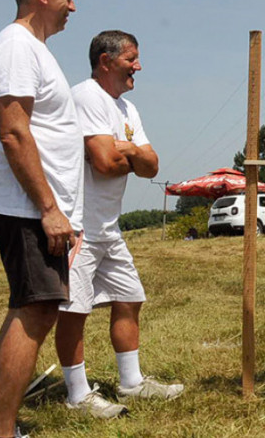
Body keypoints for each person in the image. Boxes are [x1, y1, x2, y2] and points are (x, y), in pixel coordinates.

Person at [0, 0, 81, 438]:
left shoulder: (31, 49)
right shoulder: (17, 47)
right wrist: (49, 209)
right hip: (25, 206)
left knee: (34, 307)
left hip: (32, 206)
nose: (72, 7)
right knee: (35, 309)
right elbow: (14, 133)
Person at [55, 30, 182, 419]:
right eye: (131, 59)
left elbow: (152, 166)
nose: (138, 67)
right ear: (106, 61)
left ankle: (132, 382)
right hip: (79, 225)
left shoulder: (127, 110)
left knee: (130, 297)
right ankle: (77, 395)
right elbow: (106, 165)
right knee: (74, 310)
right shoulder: (86, 97)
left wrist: (123, 147)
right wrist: (131, 153)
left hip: (109, 226)